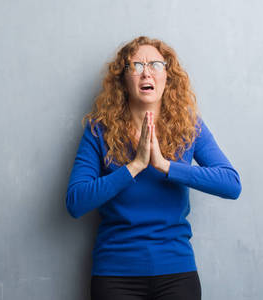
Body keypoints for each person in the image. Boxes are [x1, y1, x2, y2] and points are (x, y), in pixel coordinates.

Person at [65, 36, 242, 300]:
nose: (146, 72)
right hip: (115, 275)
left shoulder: (189, 127)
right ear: (123, 80)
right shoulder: (98, 131)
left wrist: (166, 166)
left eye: (156, 64)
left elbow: (231, 184)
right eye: (135, 66)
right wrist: (134, 167)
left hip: (177, 273)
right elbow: (75, 202)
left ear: (167, 77)